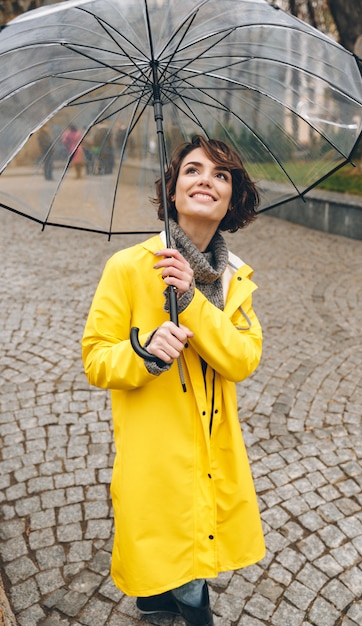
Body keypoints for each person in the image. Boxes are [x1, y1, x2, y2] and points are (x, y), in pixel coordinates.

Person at [82, 135, 265, 626]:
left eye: (221, 175)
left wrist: (192, 302)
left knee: (193, 539)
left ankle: (153, 600)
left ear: (232, 200)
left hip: (214, 444)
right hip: (157, 451)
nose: (207, 179)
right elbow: (96, 358)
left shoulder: (236, 280)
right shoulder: (128, 268)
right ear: (173, 189)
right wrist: (142, 354)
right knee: (179, 555)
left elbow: (243, 359)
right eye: (193, 170)